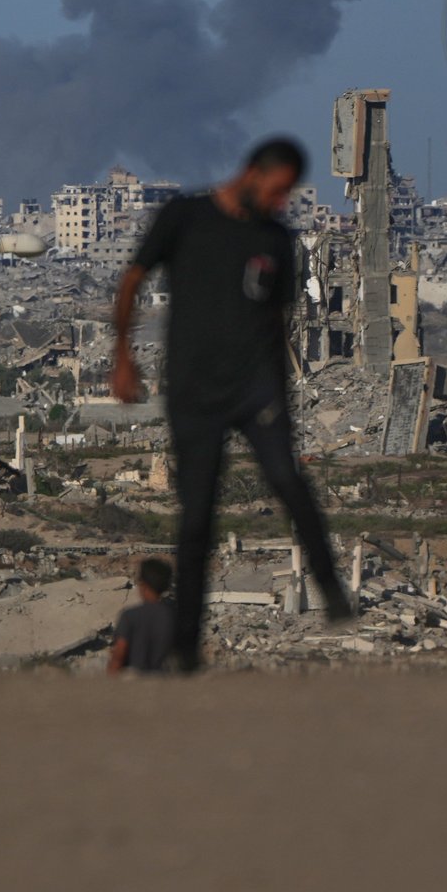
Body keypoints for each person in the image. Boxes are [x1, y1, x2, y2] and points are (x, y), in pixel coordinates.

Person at [112, 137, 351, 672]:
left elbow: (281, 318)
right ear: (251, 173)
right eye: (276, 189)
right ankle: (187, 648)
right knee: (197, 518)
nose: (280, 202)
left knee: (288, 479)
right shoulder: (186, 216)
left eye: (287, 193)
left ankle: (332, 587)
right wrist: (122, 355)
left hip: (256, 387)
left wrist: (278, 389)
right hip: (195, 392)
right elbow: (132, 278)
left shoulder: (276, 238)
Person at [109, 557, 175, 675]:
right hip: (165, 682)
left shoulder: (129, 616)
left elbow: (119, 654)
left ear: (143, 585)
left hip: (136, 682)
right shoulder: (173, 617)